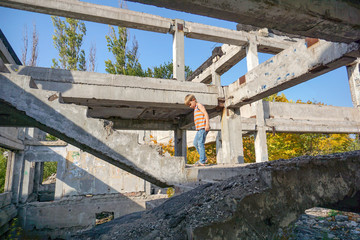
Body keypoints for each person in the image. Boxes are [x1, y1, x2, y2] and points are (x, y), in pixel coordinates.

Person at [184, 94, 210, 166]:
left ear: (193, 100)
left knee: (200, 143)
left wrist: (207, 124)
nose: (190, 106)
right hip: (199, 129)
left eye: (190, 104)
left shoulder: (199, 105)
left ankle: (202, 160)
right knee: (195, 143)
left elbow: (206, 114)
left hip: (203, 128)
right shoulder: (195, 108)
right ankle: (203, 158)